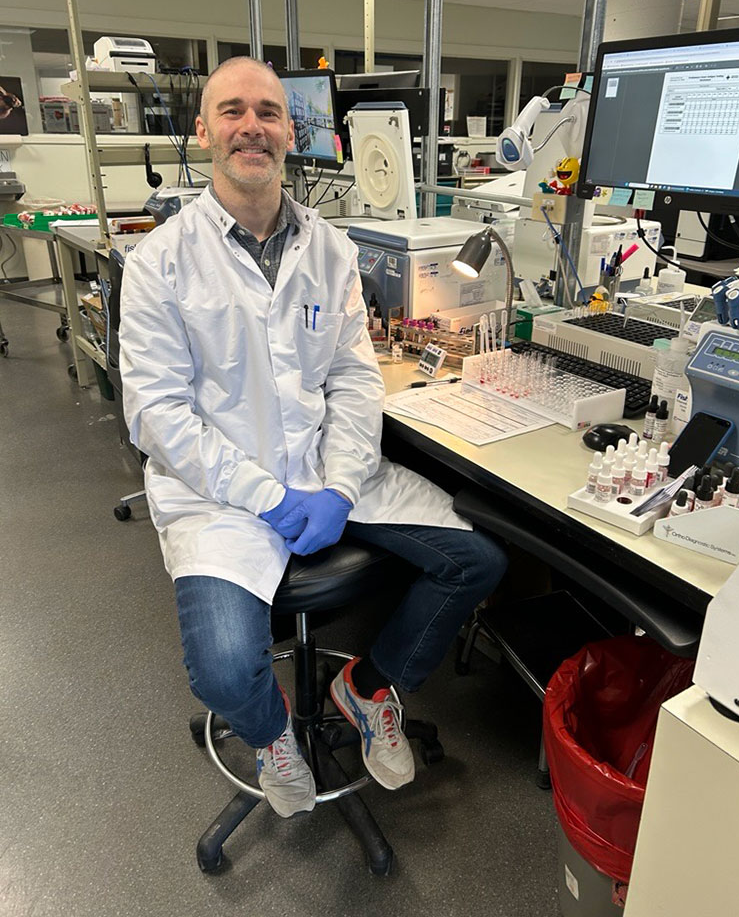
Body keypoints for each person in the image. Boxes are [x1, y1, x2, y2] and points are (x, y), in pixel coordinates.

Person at [119, 57, 507, 819]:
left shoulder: (329, 249)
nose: (251, 126)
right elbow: (158, 417)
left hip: (328, 476)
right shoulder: (160, 262)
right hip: (221, 500)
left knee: (478, 561)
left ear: (290, 132)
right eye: (231, 111)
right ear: (203, 132)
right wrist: (270, 499)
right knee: (228, 673)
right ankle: (270, 736)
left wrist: (337, 485)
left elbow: (355, 380)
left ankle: (366, 685)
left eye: (267, 111)